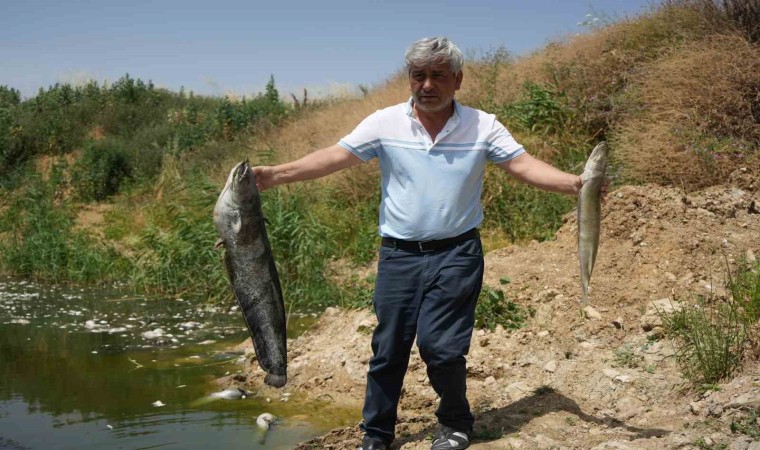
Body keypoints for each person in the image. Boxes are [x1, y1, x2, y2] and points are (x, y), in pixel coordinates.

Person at [252, 37, 593, 450]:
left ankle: (455, 424)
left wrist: (576, 185)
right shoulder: (384, 122)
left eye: (438, 76)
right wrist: (275, 176)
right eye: (419, 76)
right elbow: (334, 156)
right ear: (409, 79)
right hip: (399, 256)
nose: (427, 85)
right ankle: (376, 434)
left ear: (458, 80)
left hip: (457, 253)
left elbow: (522, 166)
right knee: (388, 348)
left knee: (442, 348)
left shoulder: (483, 125)